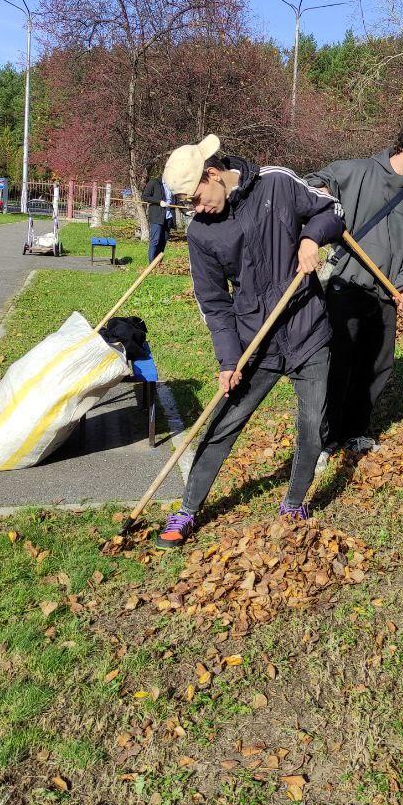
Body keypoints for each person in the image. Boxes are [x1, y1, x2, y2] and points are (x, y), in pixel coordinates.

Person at [154, 133, 344, 548]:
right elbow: (213, 302)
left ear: (214, 174)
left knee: (312, 424)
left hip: (308, 328)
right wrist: (228, 360)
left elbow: (332, 209)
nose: (195, 209)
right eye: (186, 204)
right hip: (255, 339)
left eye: (196, 198)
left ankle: (294, 502)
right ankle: (187, 509)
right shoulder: (202, 233)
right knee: (223, 423)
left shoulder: (275, 183)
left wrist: (312, 238)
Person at [307, 118, 403, 466]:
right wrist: (322, 193)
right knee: (339, 363)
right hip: (347, 287)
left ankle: (355, 430)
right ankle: (325, 440)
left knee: (377, 365)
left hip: (387, 293)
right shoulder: (357, 172)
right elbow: (312, 184)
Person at [141, 171, 174, 264]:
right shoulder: (154, 182)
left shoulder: (173, 186)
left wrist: (186, 211)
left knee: (163, 241)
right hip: (157, 217)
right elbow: (145, 197)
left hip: (168, 217)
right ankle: (151, 264)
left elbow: (177, 201)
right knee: (155, 240)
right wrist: (159, 202)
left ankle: (158, 263)